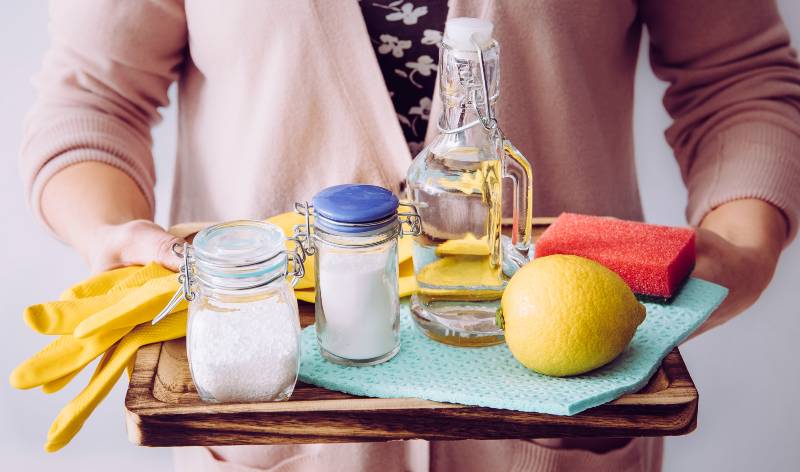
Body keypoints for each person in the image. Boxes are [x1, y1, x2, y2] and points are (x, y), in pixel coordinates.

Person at [19, 1, 799, 471]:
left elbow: (738, 77)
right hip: (271, 418)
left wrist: (743, 240)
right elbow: (95, 93)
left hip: (558, 425)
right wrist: (111, 231)